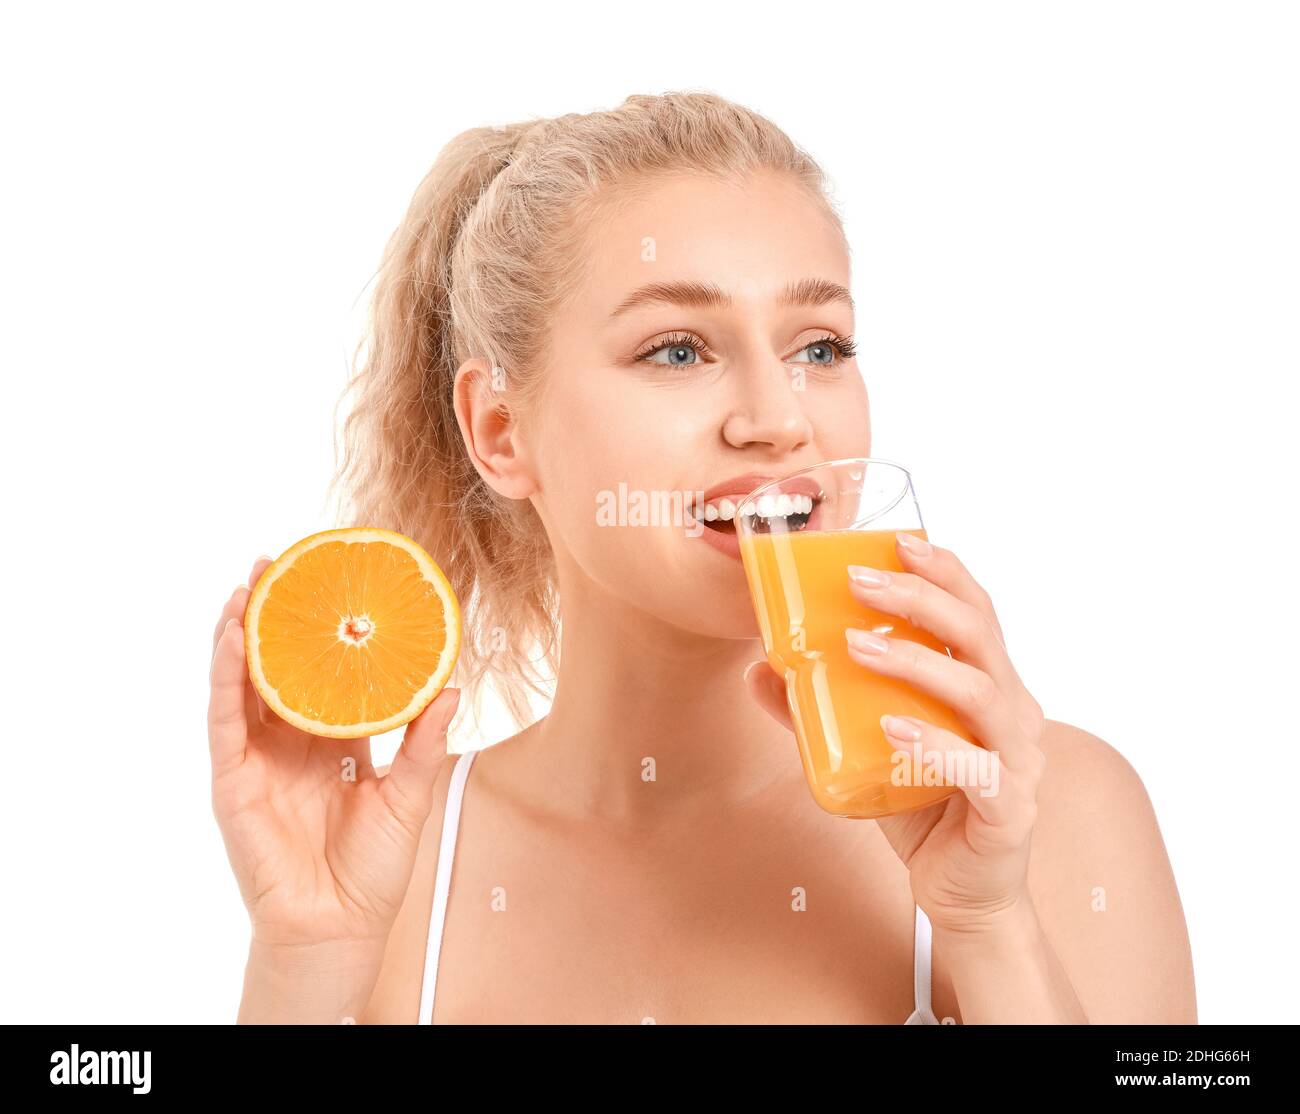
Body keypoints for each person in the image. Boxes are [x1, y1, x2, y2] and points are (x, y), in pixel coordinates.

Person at [207, 91, 1195, 1024]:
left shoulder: (1043, 811)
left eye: (818, 346)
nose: (778, 420)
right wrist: (299, 965)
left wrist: (990, 926)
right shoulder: (392, 868)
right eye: (678, 350)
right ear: (500, 428)